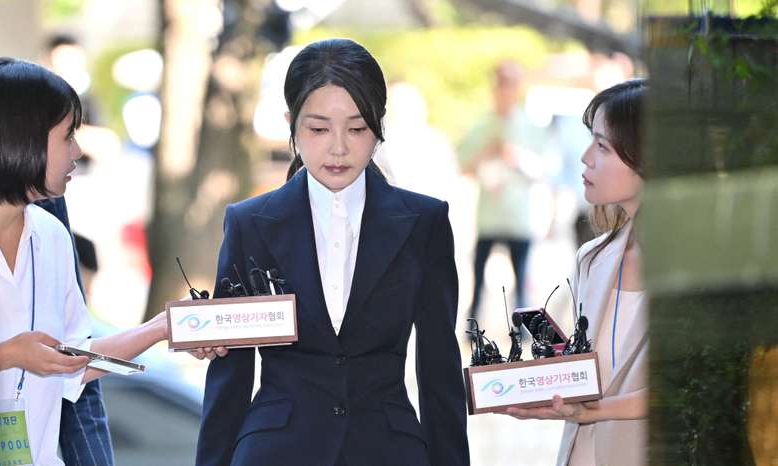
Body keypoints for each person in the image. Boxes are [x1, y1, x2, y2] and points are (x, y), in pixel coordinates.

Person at [196, 38, 469, 466]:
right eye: (319, 128)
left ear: (379, 125)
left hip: (388, 448)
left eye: (357, 128)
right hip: (274, 451)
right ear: (291, 124)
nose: (338, 147)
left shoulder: (425, 223)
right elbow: (229, 374)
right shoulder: (249, 223)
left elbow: (439, 369)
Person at [0, 57, 166, 466]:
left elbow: (70, 362)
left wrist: (161, 329)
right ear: (22, 138)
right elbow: (27, 355)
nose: (78, 151)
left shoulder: (51, 237)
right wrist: (5, 356)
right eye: (67, 136)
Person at [503, 79, 648, 466]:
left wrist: (594, 411)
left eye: (602, 146)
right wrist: (546, 383)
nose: (585, 157)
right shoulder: (593, 257)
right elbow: (595, 373)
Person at [459, 61, 542, 319]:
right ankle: (474, 328)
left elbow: (543, 169)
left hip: (519, 217)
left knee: (522, 279)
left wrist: (514, 156)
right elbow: (464, 166)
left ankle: (526, 333)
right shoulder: (481, 125)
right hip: (489, 217)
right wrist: (487, 151)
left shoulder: (531, 125)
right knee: (478, 278)